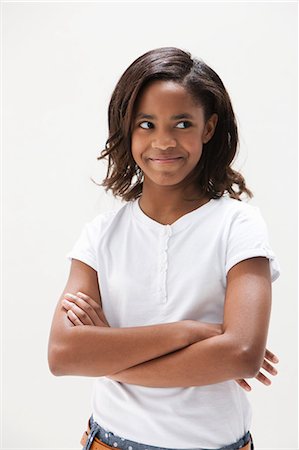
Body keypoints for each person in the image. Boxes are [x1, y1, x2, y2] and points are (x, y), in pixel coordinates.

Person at [48, 47, 280, 450]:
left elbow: (241, 354)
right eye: (146, 124)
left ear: (208, 128)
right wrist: (188, 333)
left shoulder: (238, 226)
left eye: (182, 123)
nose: (164, 141)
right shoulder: (100, 236)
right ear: (128, 129)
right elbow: (64, 354)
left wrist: (108, 354)